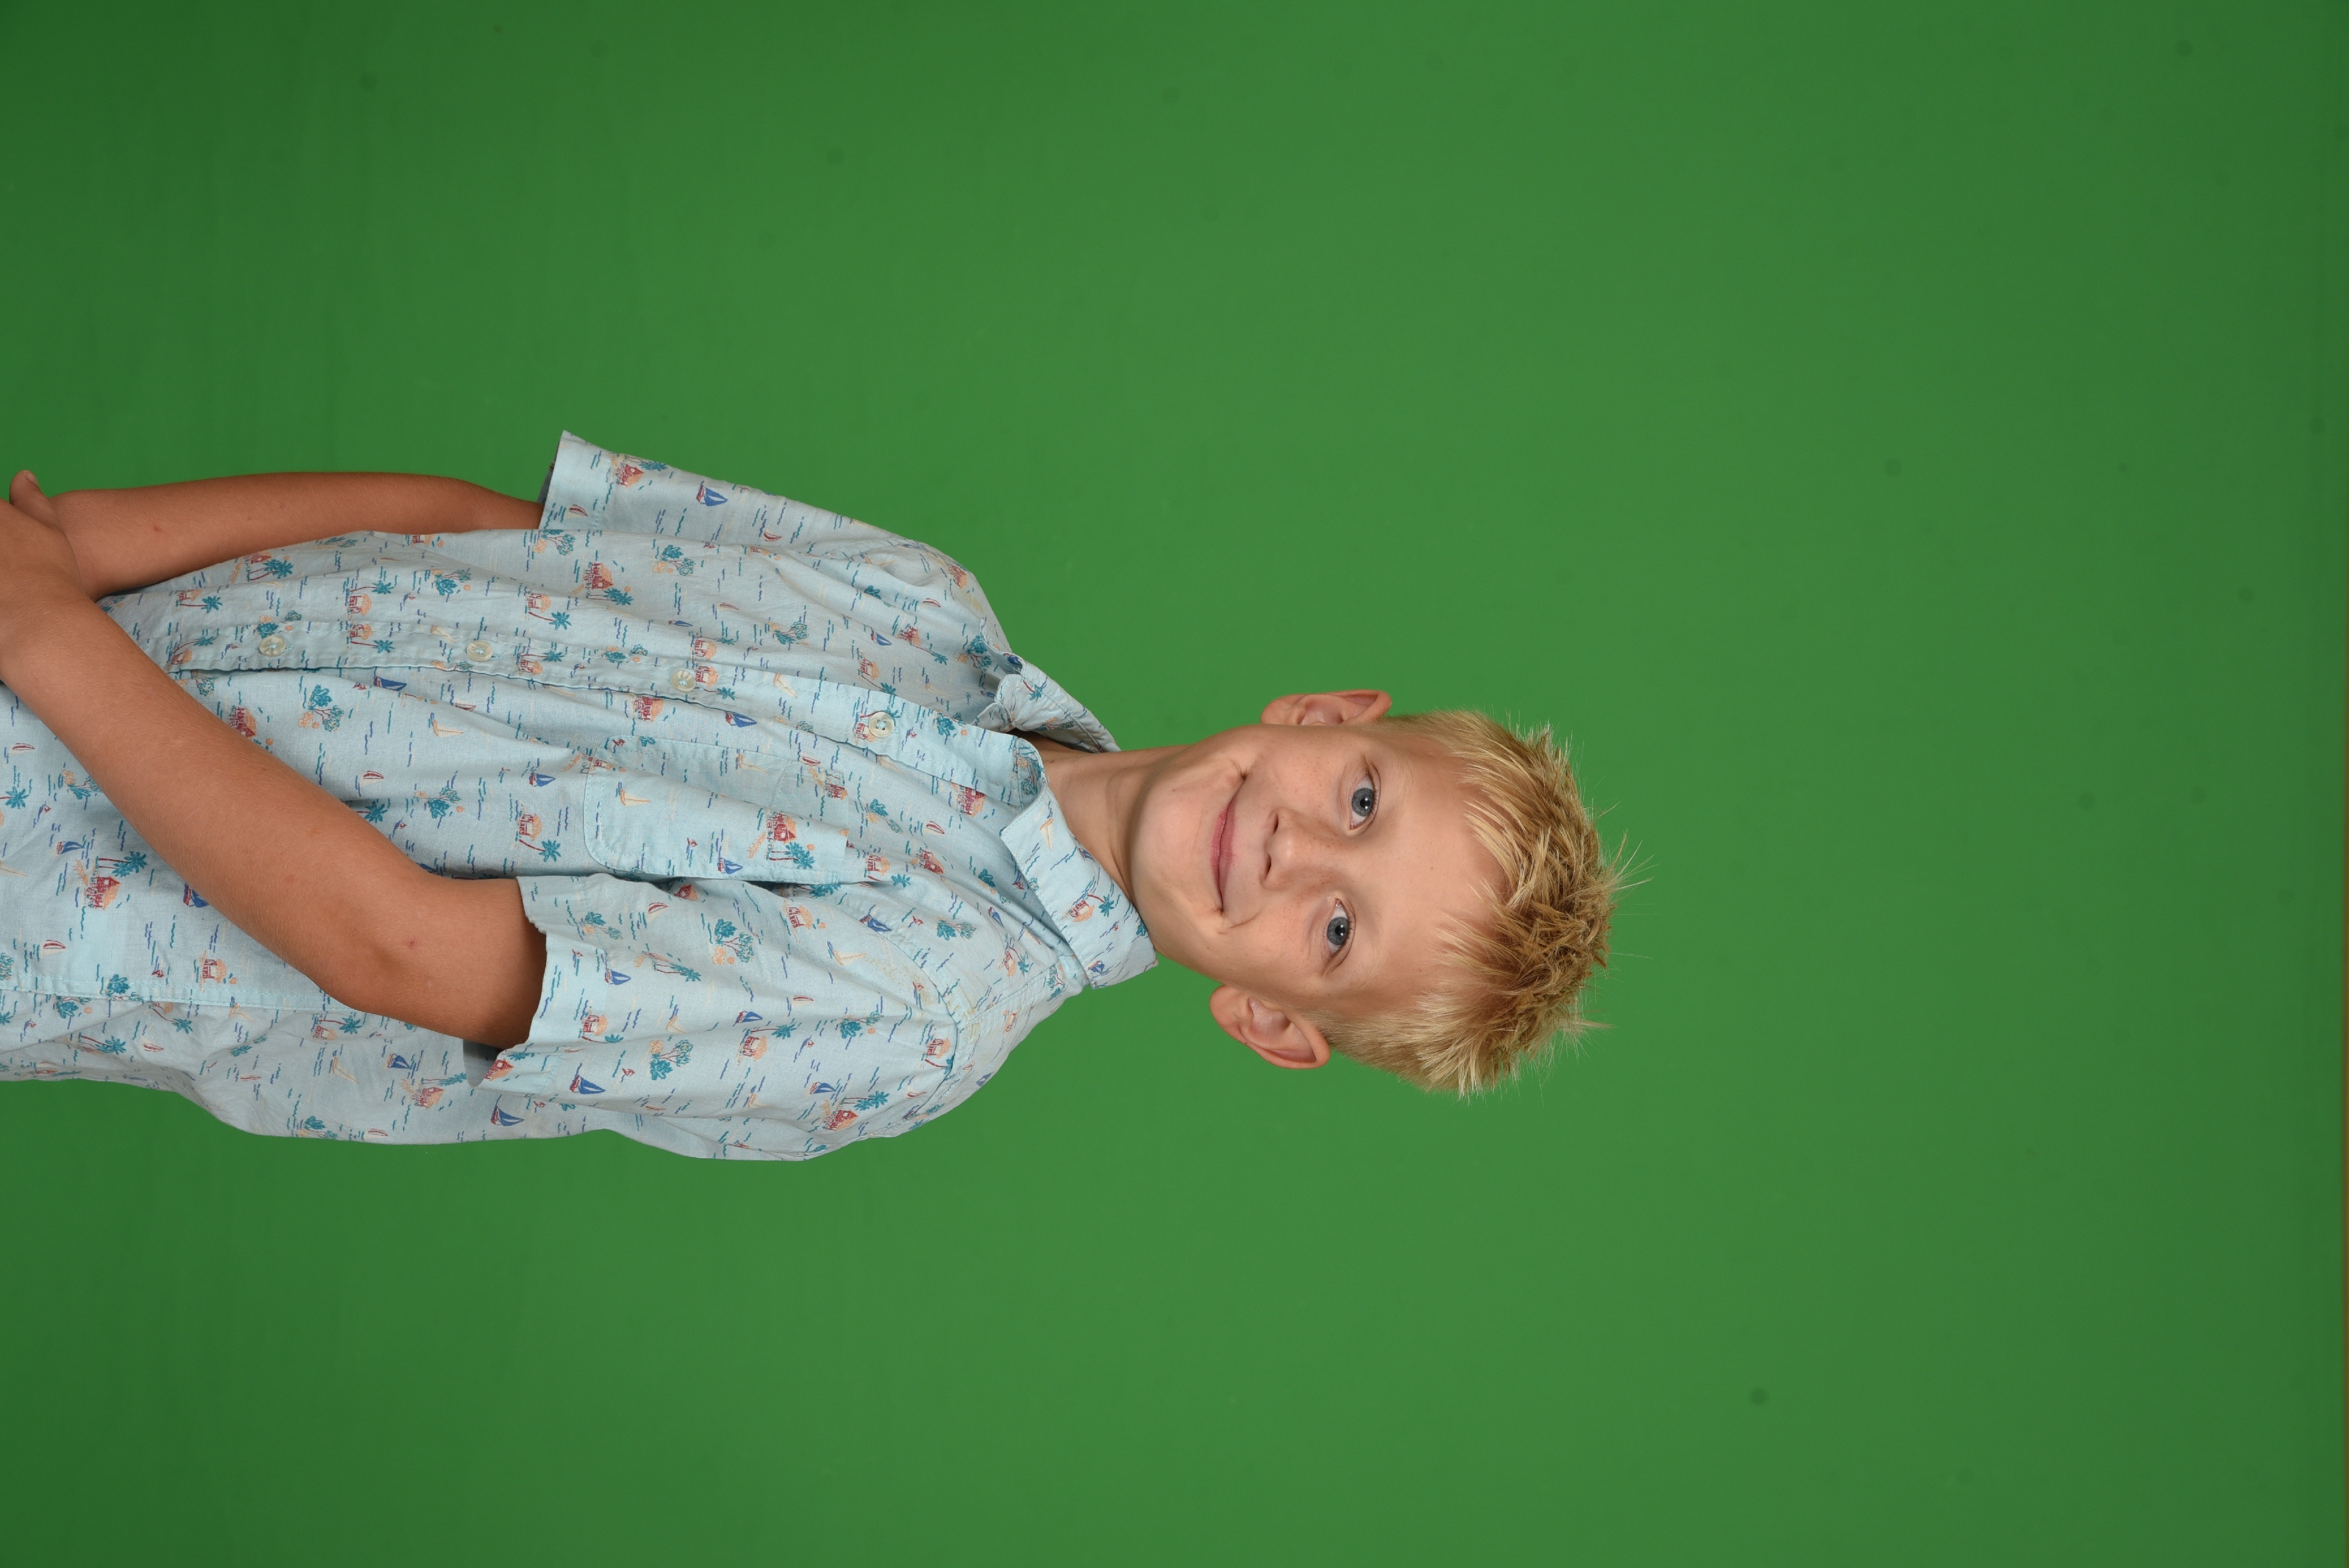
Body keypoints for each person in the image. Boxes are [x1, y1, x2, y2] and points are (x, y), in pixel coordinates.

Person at [0, 434, 1614, 1159]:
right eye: (1361, 801)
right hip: (88, 618)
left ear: (1271, 1021)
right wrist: (82, 548)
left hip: (49, 877)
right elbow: (481, 525)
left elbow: (399, 948)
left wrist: (53, 645)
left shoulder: (915, 1011)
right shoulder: (926, 602)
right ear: (1329, 714)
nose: (1295, 851)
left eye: (1337, 930)